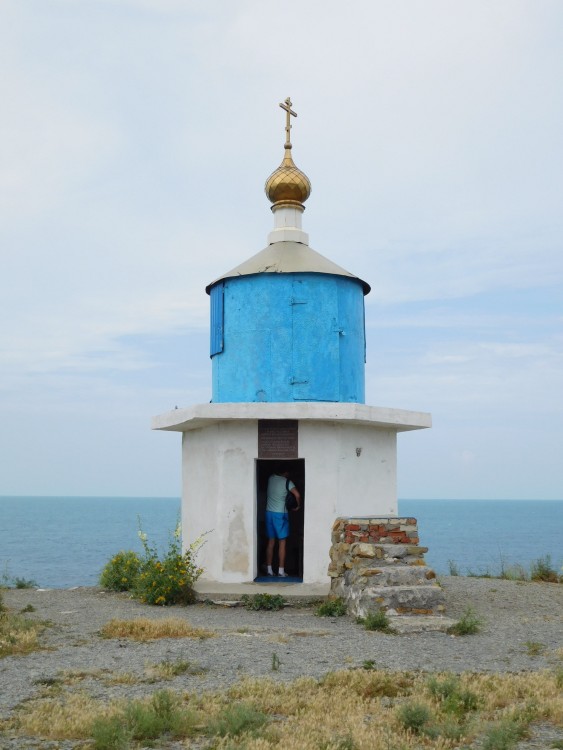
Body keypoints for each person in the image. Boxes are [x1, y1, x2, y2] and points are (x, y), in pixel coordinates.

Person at [265, 464, 301, 577]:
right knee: (282, 542)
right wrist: (298, 506)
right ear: (286, 473)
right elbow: (297, 495)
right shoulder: (287, 482)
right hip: (280, 514)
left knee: (271, 542)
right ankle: (281, 571)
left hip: (268, 513)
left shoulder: (270, 478)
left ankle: (269, 570)